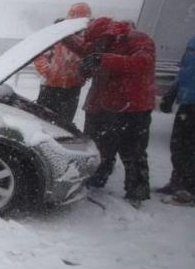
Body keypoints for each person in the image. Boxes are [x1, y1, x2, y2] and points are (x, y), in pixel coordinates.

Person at [66, 18, 156, 207]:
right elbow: (86, 51)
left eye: (98, 42)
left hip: (133, 108)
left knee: (133, 151)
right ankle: (96, 180)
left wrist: (104, 60)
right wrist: (65, 36)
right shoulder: (100, 43)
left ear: (110, 35)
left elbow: (142, 63)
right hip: (105, 105)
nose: (95, 46)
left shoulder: (138, 40)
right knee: (99, 146)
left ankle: (136, 192)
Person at [33, 2, 91, 124]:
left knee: (62, 123)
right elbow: (39, 54)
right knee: (44, 120)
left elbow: (89, 60)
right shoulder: (56, 33)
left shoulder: (87, 38)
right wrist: (47, 70)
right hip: (51, 86)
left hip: (71, 88)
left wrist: (84, 73)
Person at [158, 35, 195, 203]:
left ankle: (190, 190)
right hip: (187, 101)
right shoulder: (192, 42)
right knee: (179, 144)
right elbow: (184, 70)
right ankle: (178, 182)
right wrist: (171, 94)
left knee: (191, 147)